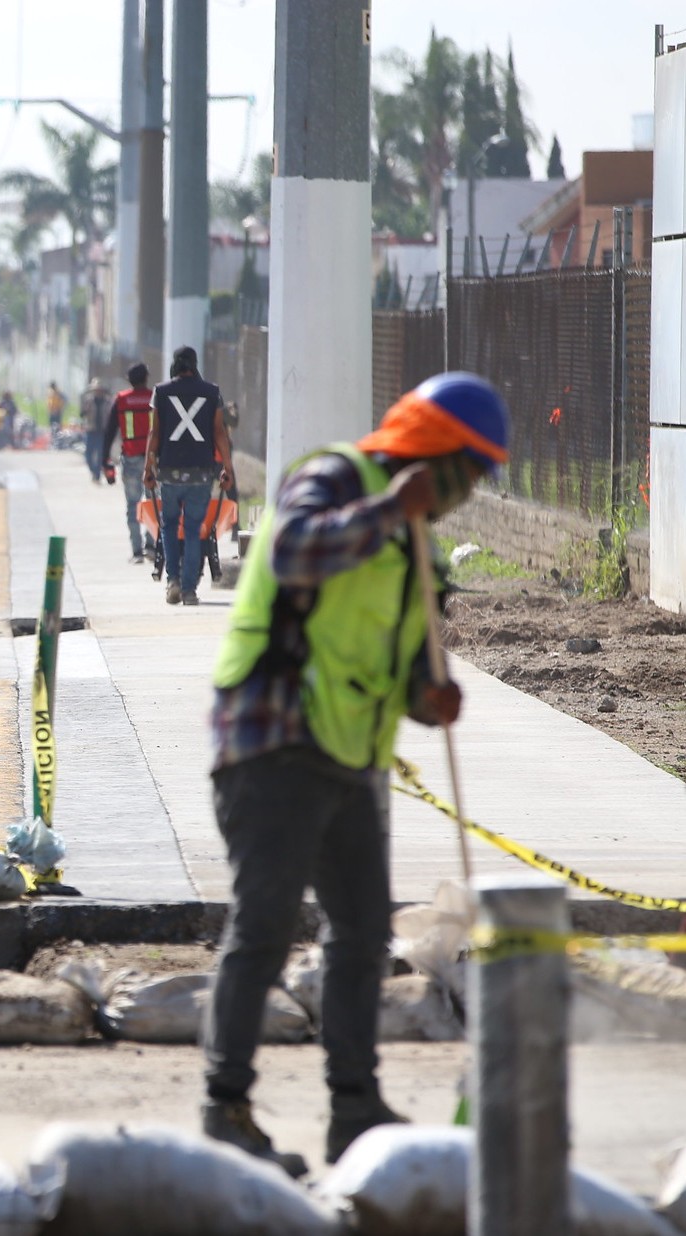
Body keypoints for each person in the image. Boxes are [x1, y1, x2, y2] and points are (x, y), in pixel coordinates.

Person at [200, 372, 510, 1177]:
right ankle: (224, 1105)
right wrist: (386, 511)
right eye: (467, 473)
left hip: (353, 757)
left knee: (365, 932)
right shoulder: (336, 478)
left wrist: (427, 696)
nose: (465, 495)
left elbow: (405, 662)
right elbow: (296, 551)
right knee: (265, 923)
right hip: (273, 741)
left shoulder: (419, 546)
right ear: (432, 454)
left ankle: (354, 1110)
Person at [143, 346, 233, 605]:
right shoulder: (211, 392)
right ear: (195, 365)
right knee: (194, 530)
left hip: (169, 472)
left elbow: (155, 434)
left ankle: (173, 580)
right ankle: (189, 589)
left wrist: (148, 469)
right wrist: (227, 468)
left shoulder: (161, 391)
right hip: (201, 473)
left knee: (169, 527)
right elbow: (219, 433)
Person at [102, 362, 155, 562]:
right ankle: (151, 545)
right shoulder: (154, 398)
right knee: (152, 504)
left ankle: (136, 551)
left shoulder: (121, 400)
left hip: (131, 458)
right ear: (146, 378)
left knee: (132, 505)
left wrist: (105, 460)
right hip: (152, 460)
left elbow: (109, 432)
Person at [80, 378, 112, 482]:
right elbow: (82, 414)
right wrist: (86, 409)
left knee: (99, 454)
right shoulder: (88, 400)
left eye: (99, 389)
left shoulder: (107, 401)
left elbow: (111, 415)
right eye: (96, 389)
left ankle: (97, 475)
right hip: (90, 430)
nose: (98, 391)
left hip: (102, 431)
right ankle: (93, 470)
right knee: (88, 454)